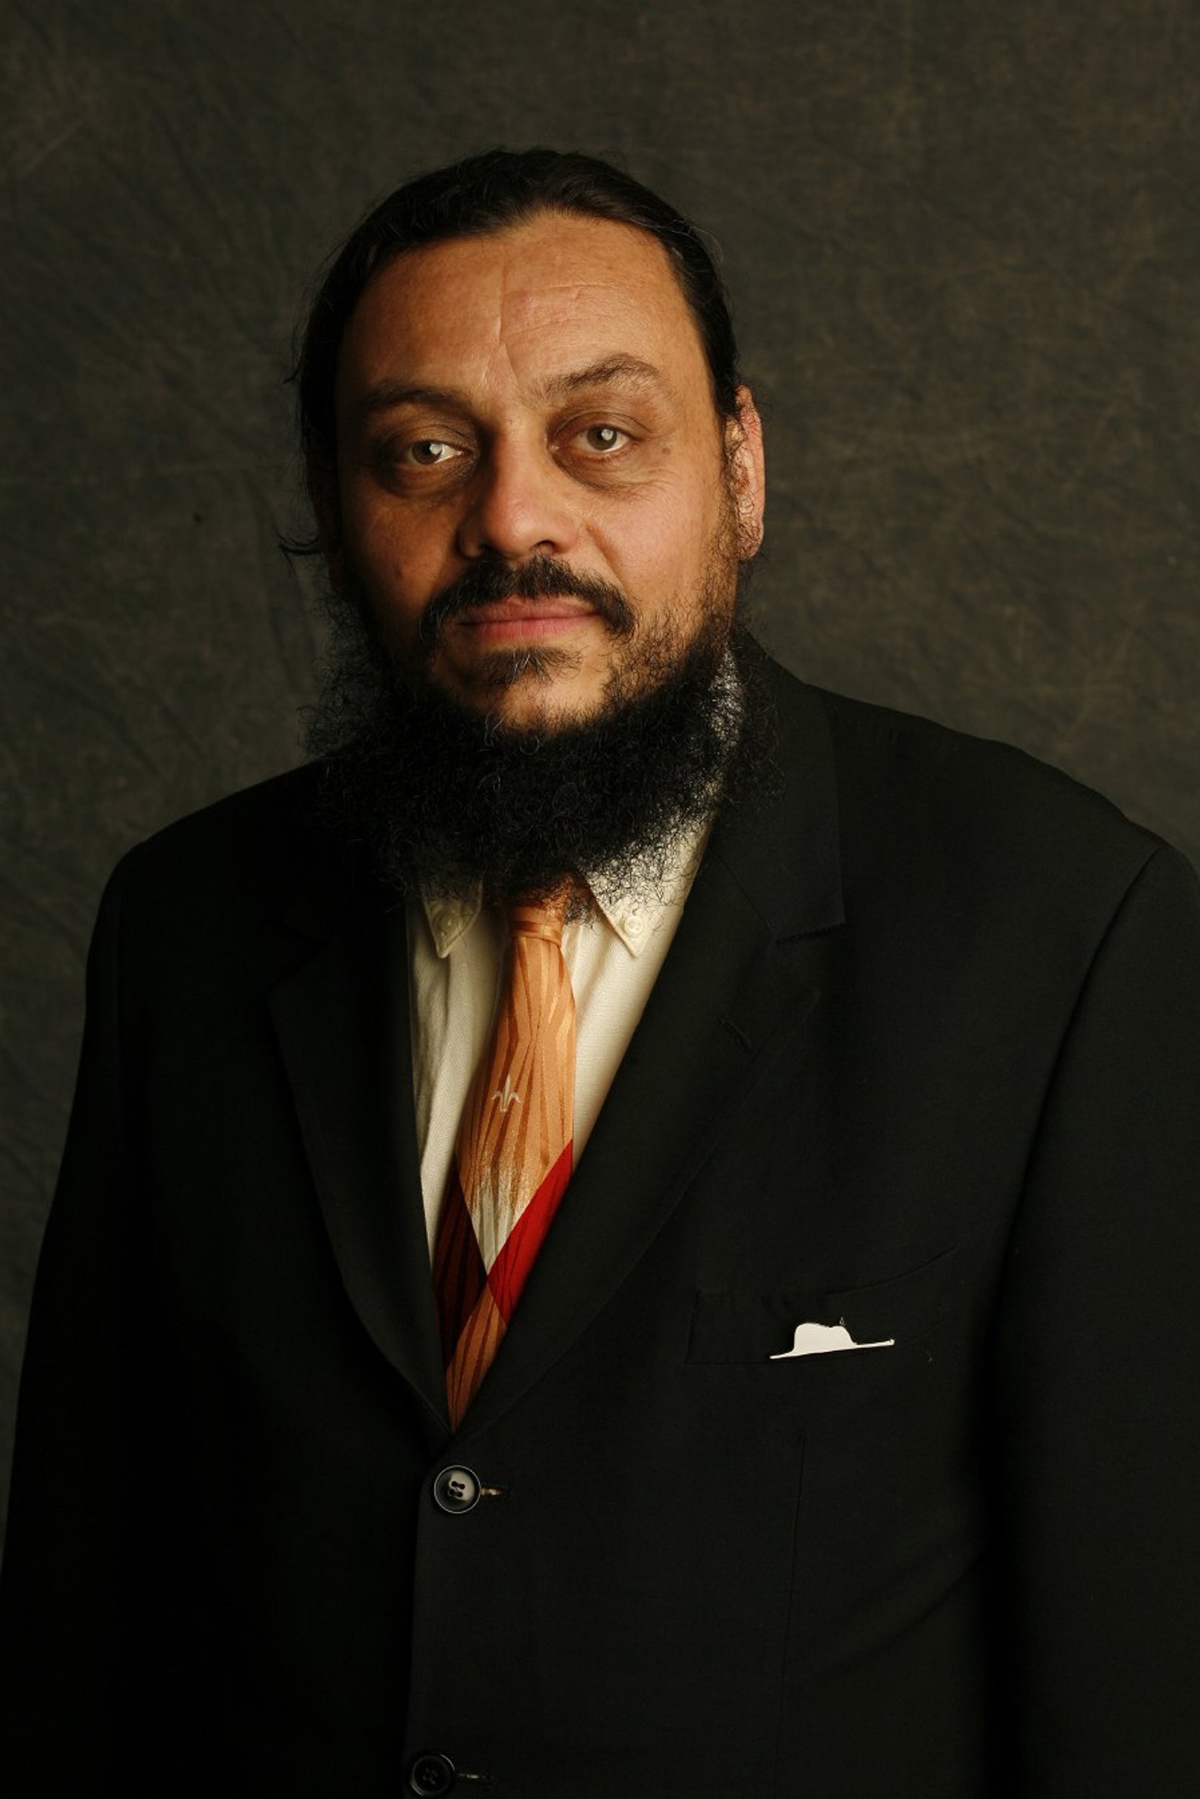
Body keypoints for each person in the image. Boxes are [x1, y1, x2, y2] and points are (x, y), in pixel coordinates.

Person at [1, 147, 1198, 1799]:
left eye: (600, 435)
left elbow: (1133, 1690)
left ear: (744, 471)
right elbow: (84, 1624)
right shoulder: (186, 928)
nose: (510, 518)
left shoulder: (1065, 930)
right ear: (339, 518)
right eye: (424, 451)